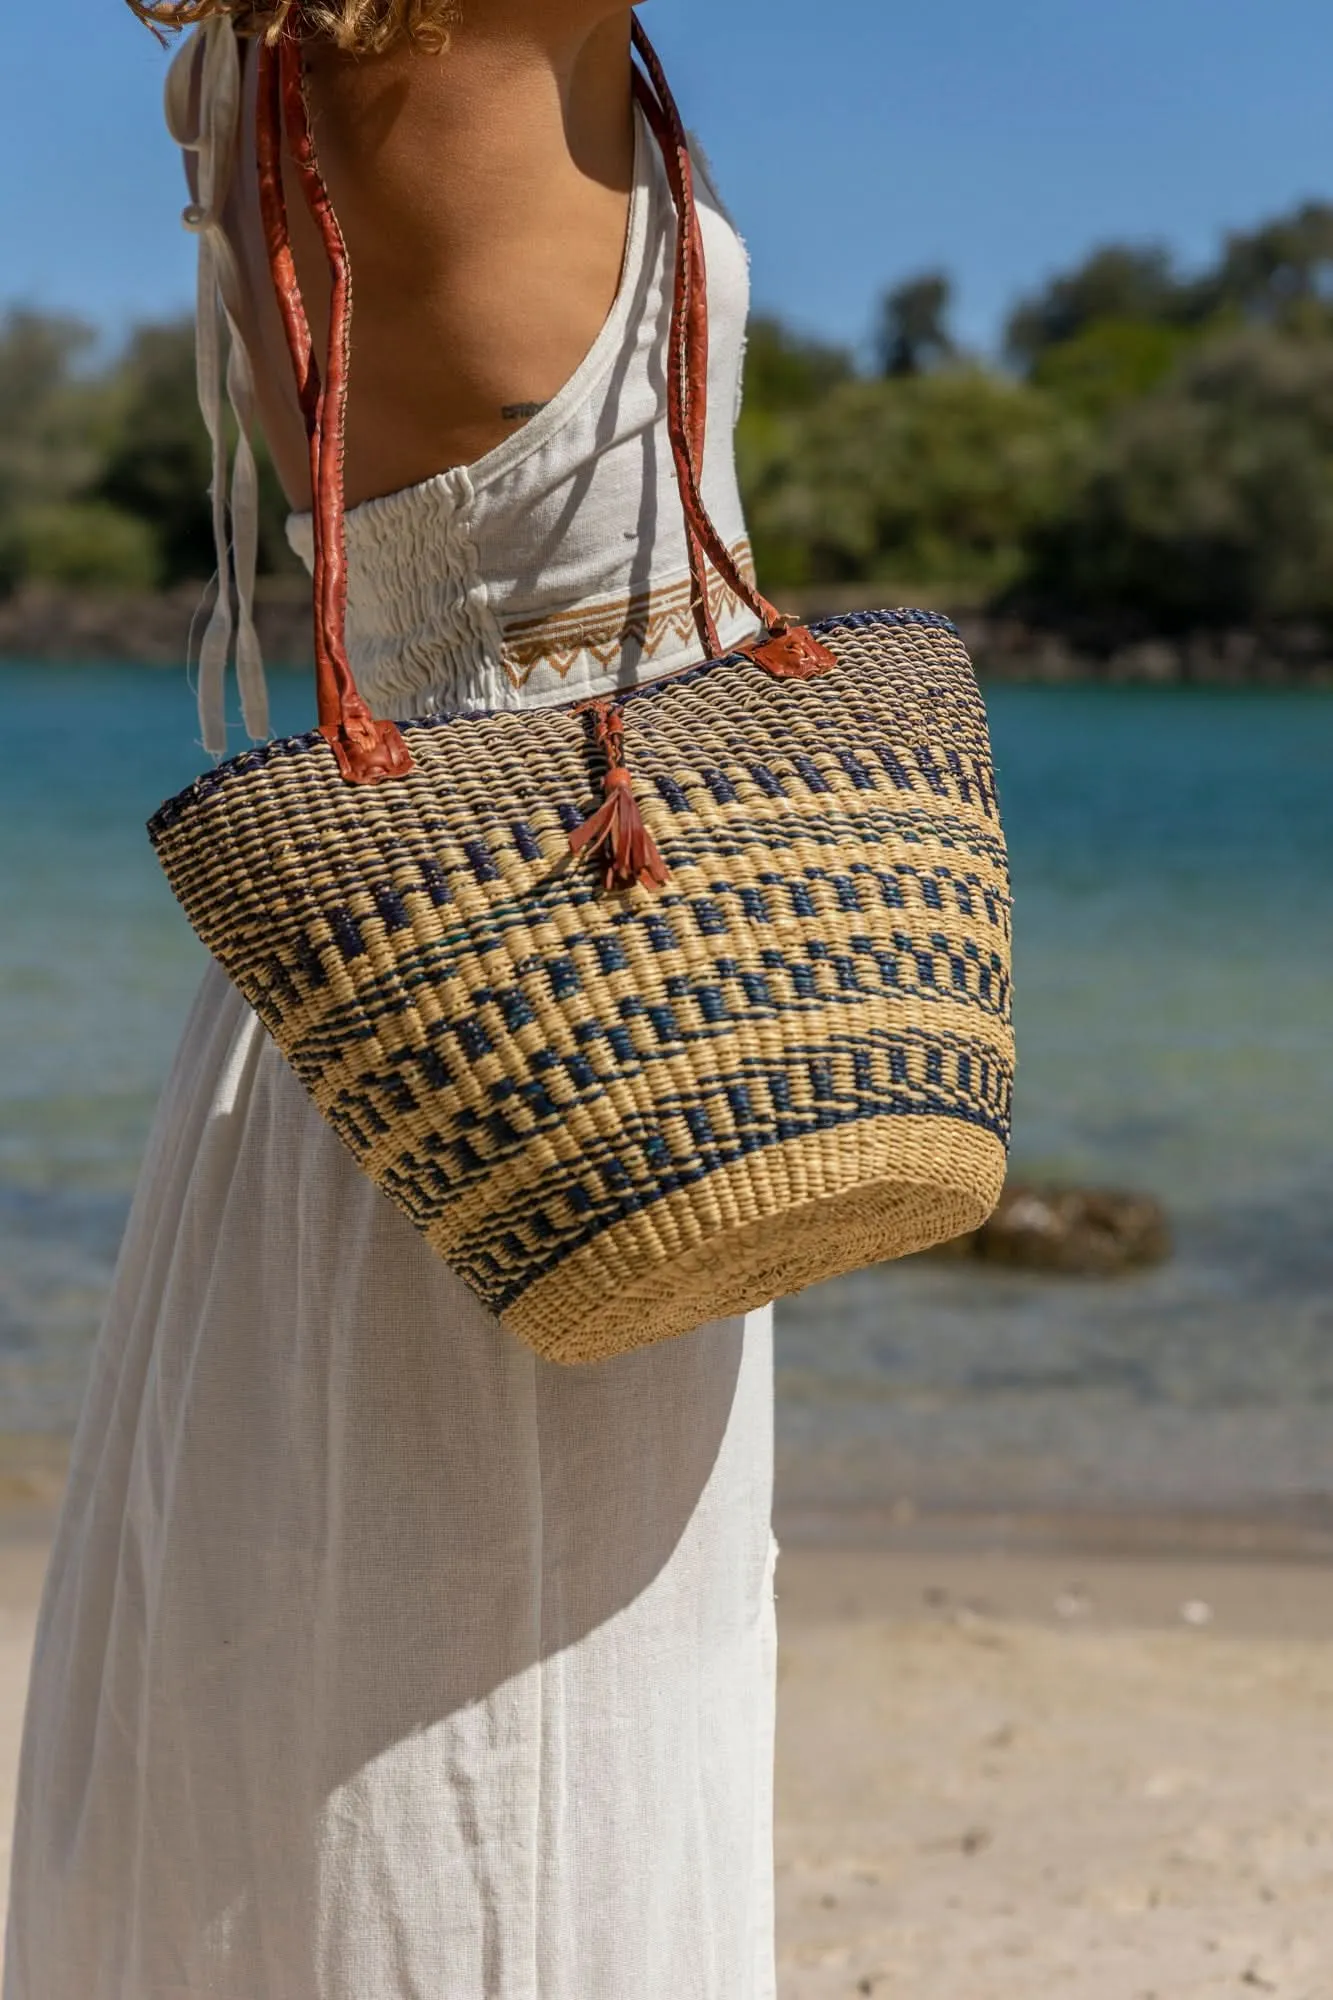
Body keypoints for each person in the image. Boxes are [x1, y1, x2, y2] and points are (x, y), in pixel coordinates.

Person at [3, 4, 779, 1995]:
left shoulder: (246, 62)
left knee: (314, 1619)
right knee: (563, 1659)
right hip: (600, 924)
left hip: (373, 944)